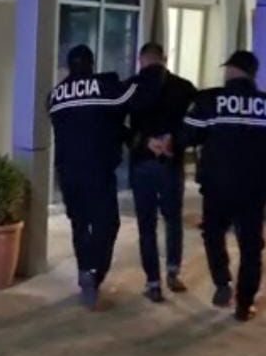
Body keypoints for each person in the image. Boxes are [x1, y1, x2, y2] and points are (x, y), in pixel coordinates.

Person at [181, 50, 266, 321]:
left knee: (213, 234)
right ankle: (244, 304)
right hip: (254, 188)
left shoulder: (210, 100)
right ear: (253, 74)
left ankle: (222, 282)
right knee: (251, 245)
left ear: (231, 70)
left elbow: (188, 135)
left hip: (217, 185)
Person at [48, 45, 135, 310]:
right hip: (97, 171)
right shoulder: (104, 88)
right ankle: (95, 273)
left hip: (68, 173)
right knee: (107, 224)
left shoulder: (54, 96)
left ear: (68, 66)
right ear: (91, 64)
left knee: (80, 224)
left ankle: (86, 269)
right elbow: (128, 98)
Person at [128, 42, 197, 303]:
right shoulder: (185, 87)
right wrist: (173, 140)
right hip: (171, 162)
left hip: (142, 162)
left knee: (147, 225)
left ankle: (153, 282)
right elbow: (195, 122)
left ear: (140, 60)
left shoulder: (131, 87)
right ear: (164, 59)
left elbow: (120, 125)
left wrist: (145, 141)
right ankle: (173, 272)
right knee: (173, 219)